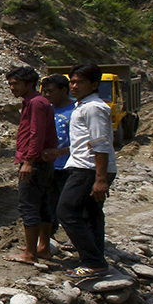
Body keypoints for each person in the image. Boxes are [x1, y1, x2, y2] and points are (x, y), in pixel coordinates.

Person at [57, 63, 134, 291]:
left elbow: (100, 144)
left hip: (89, 168)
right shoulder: (84, 106)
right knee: (91, 212)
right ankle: (95, 258)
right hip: (87, 166)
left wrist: (100, 179)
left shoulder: (94, 108)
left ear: (94, 84)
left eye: (79, 82)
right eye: (72, 81)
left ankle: (92, 261)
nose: (74, 85)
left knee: (66, 211)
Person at [5, 66, 57, 264]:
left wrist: (28, 161)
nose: (11, 88)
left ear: (29, 83)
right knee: (43, 205)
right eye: (10, 84)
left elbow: (36, 134)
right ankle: (42, 248)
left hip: (34, 164)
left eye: (15, 84)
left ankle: (30, 254)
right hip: (43, 163)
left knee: (28, 206)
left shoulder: (36, 103)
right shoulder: (38, 102)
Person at [41, 73, 75, 253]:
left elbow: (83, 142)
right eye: (44, 91)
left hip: (69, 166)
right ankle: (49, 236)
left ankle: (75, 236)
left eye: (51, 91)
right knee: (48, 202)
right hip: (49, 166)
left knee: (69, 204)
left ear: (64, 90)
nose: (47, 95)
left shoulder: (76, 110)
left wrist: (60, 152)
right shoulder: (47, 110)